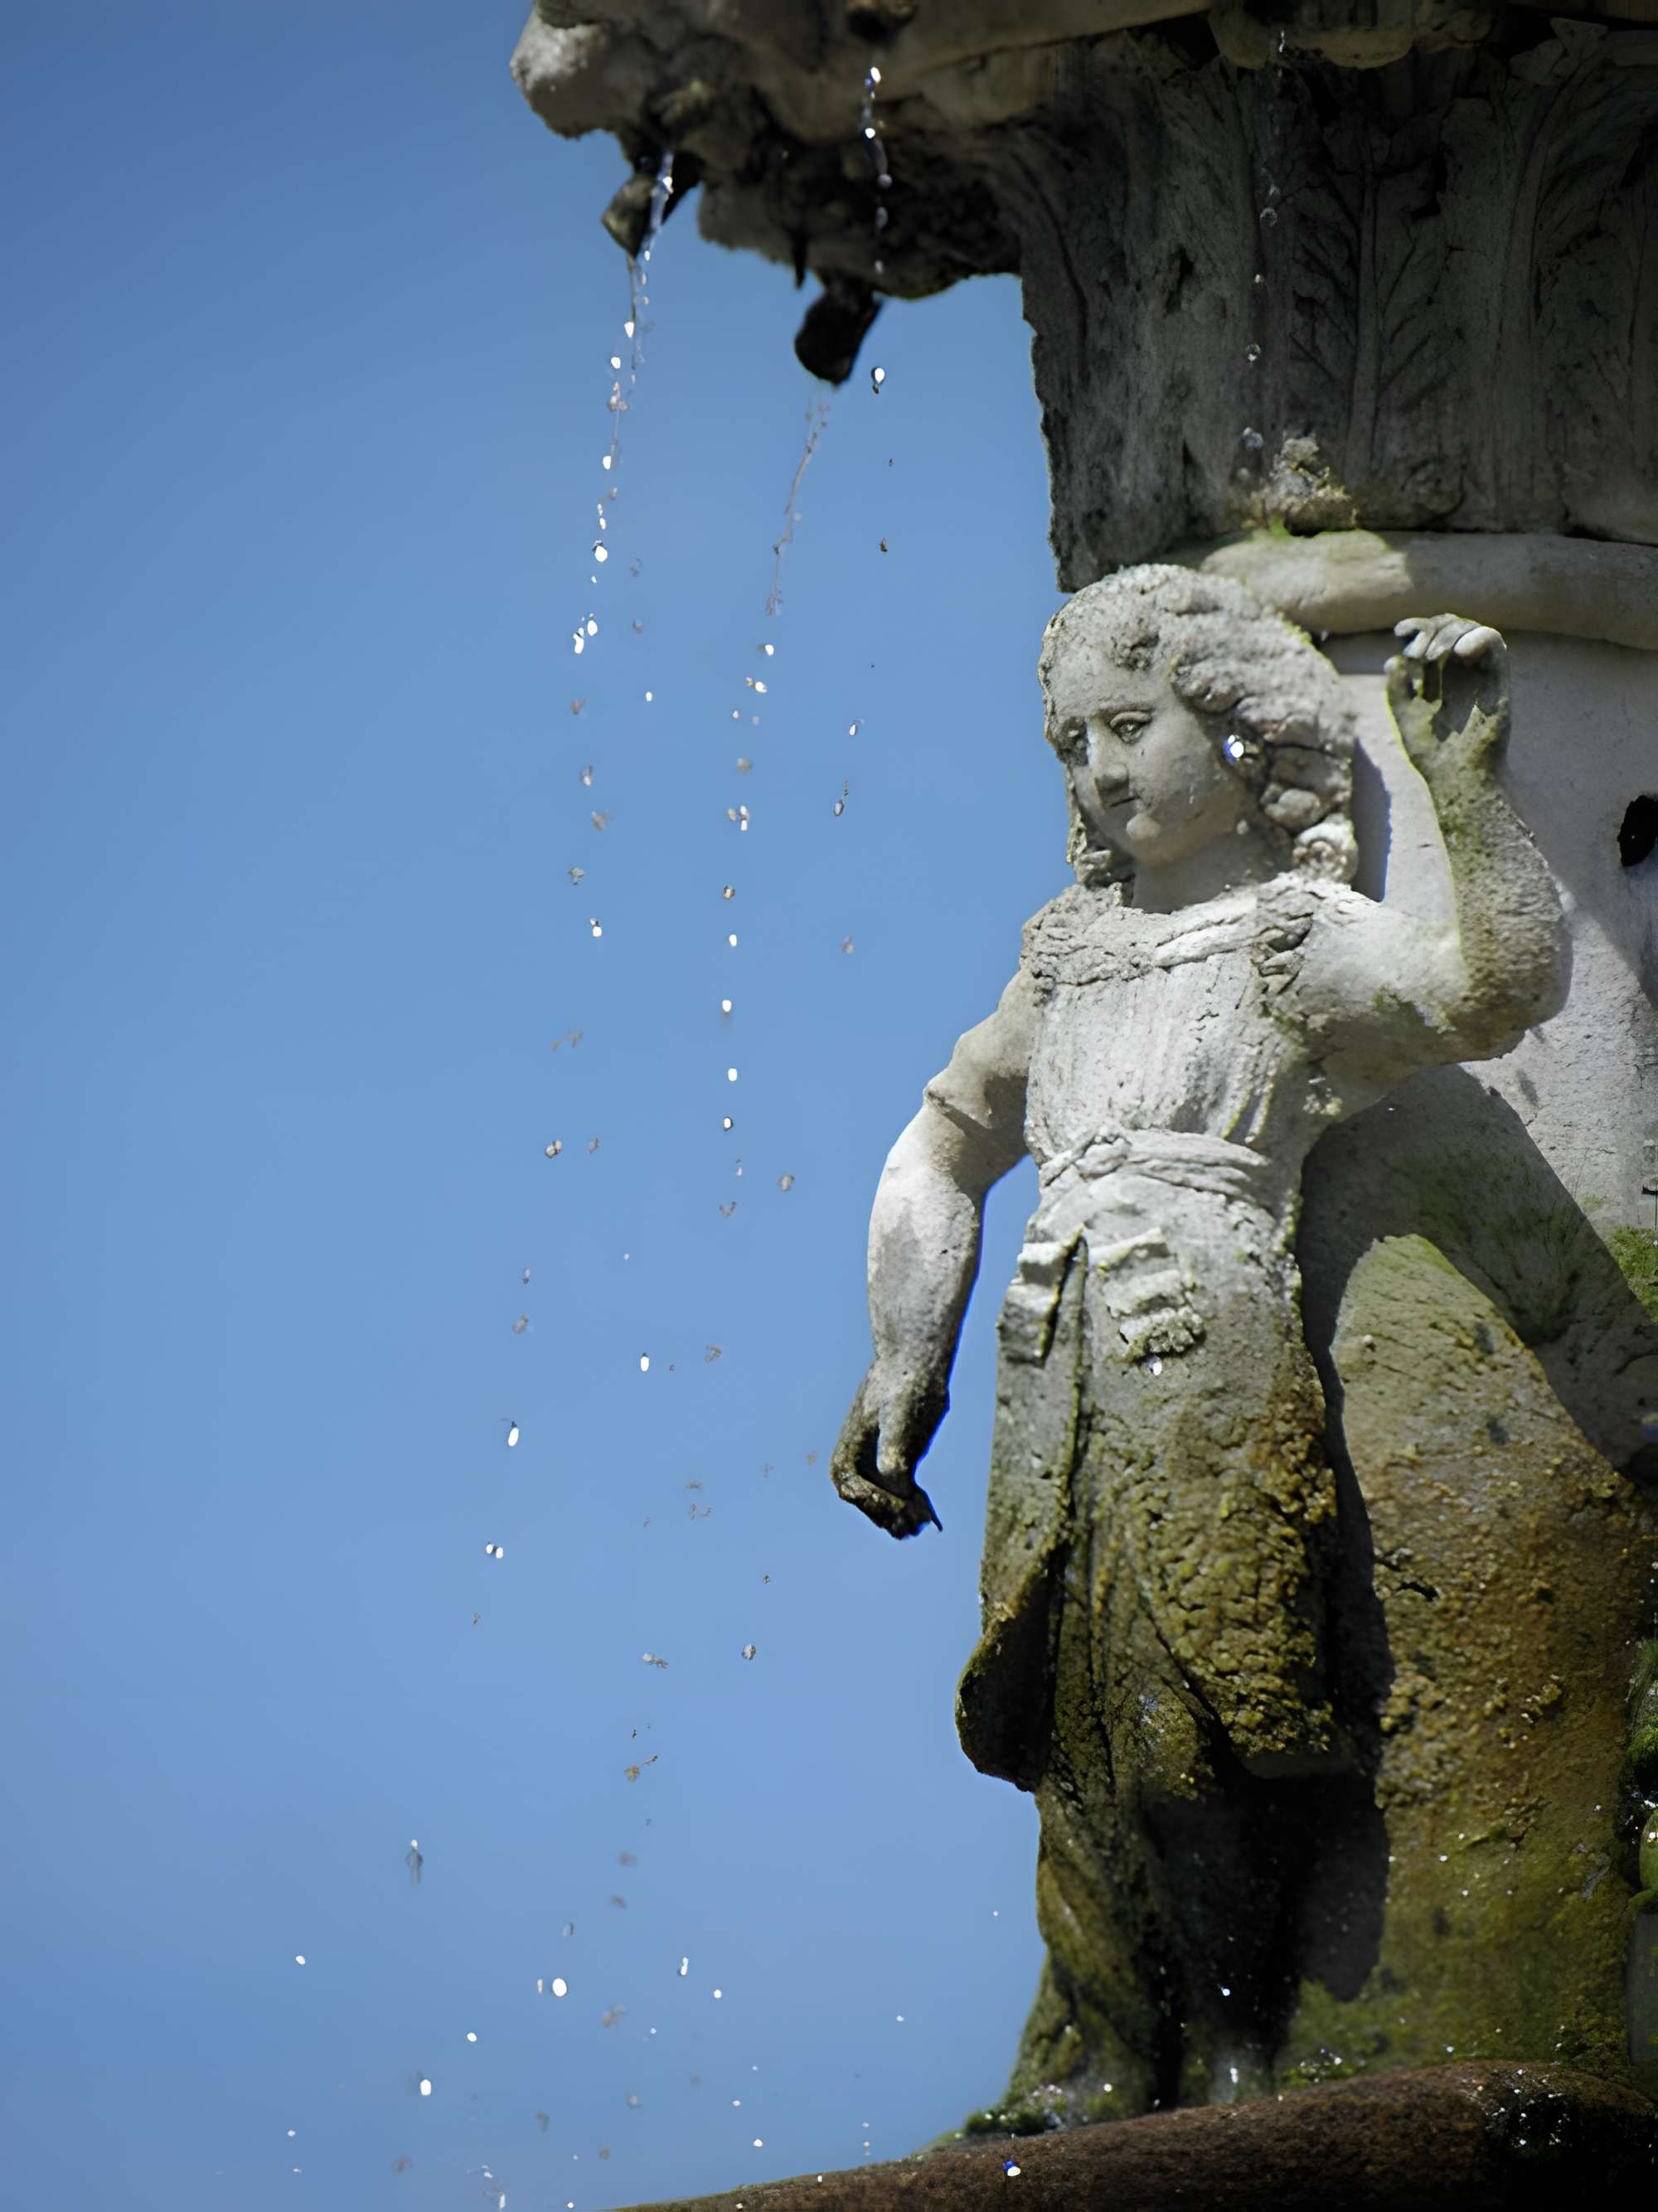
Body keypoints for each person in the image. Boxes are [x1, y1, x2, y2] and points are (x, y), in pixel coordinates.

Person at [829, 566, 1566, 2116]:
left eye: (1126, 724)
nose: (1097, 769)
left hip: (1206, 1349)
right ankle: (1106, 2051)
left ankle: (1238, 2046)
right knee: (1062, 1721)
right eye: (1069, 743)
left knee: (1196, 1718)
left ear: (1240, 730)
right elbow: (941, 1143)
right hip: (1046, 1360)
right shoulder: (1067, 956)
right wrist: (909, 1350)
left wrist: (1462, 793)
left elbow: (1492, 990)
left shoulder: (1289, 936)